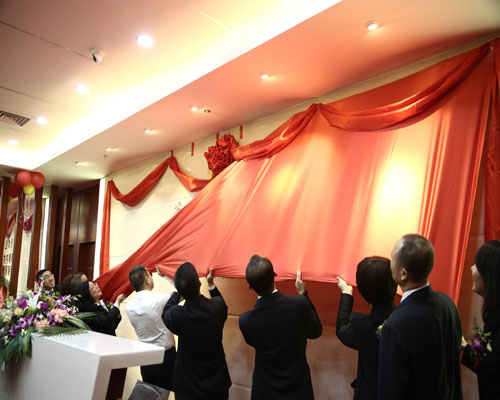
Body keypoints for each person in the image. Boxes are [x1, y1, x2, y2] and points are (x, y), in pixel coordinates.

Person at [378, 234, 463, 400]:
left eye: (392, 259)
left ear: (403, 274)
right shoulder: (447, 304)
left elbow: (391, 390)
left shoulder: (396, 324)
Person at [238, 255, 322, 400]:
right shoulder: (299, 304)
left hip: (265, 391)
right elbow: (315, 332)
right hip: (298, 389)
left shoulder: (245, 321)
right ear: (274, 276)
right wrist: (302, 293)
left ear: (249, 286)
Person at [162, 263, 231, 400]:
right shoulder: (217, 308)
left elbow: (166, 311)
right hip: (216, 384)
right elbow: (221, 302)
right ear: (199, 284)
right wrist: (211, 284)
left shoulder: (177, 315)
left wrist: (177, 291)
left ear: (181, 292)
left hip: (187, 387)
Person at [336, 256, 396, 400]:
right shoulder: (407, 319)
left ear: (363, 291)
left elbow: (342, 330)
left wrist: (346, 294)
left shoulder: (361, 326)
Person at [126, 265, 176, 394]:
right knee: (164, 394)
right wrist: (165, 275)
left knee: (150, 395)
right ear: (147, 280)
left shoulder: (129, 307)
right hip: (165, 357)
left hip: (145, 358)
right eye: (150, 275)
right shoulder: (158, 300)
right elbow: (181, 291)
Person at [461, 240, 500, 399]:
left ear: (489, 275)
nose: (472, 268)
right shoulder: (492, 314)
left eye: (477, 265)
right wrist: (463, 345)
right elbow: (481, 354)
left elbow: (486, 365)